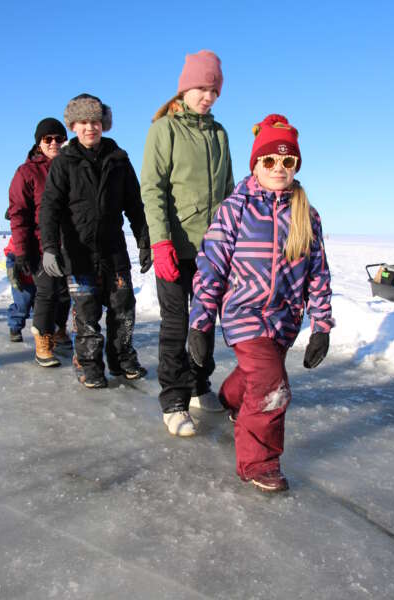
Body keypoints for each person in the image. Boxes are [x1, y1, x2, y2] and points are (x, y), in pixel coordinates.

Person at [188, 114, 334, 492]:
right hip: (245, 314)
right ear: (255, 163)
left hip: (284, 320)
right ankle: (259, 463)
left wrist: (321, 326)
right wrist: (200, 323)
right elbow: (211, 268)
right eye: (269, 160)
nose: (279, 168)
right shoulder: (235, 210)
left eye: (288, 162)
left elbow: (318, 273)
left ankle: (232, 396)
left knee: (259, 379)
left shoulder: (306, 214)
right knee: (272, 387)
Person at [141, 50, 234, 436]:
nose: (207, 96)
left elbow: (229, 192)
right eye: (201, 87)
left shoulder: (219, 133)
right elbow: (153, 188)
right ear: (185, 87)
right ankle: (174, 400)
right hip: (176, 247)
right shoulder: (165, 129)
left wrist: (232, 242)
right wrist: (160, 243)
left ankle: (199, 384)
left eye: (213, 90)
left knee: (205, 323)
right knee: (177, 325)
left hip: (211, 249)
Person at [39, 93, 151, 389]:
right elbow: (50, 207)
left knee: (123, 308)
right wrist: (50, 248)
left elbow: (134, 205)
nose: (91, 127)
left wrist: (143, 238)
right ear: (74, 125)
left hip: (114, 250)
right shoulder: (64, 162)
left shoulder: (119, 159)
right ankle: (89, 366)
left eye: (97, 121)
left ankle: (122, 359)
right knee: (86, 314)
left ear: (105, 124)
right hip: (78, 253)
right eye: (85, 122)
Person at [8, 118, 72, 366]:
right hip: (39, 244)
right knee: (46, 291)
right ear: (39, 143)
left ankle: (58, 329)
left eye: (59, 138)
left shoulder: (71, 167)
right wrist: (22, 251)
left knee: (66, 293)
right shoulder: (27, 172)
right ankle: (43, 340)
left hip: (69, 243)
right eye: (48, 139)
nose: (54, 143)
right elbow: (18, 213)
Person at [5, 233, 35, 342]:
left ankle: (44, 331)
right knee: (21, 306)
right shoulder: (19, 236)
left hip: (41, 279)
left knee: (43, 308)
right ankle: (15, 328)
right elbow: (11, 254)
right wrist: (11, 269)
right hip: (24, 281)